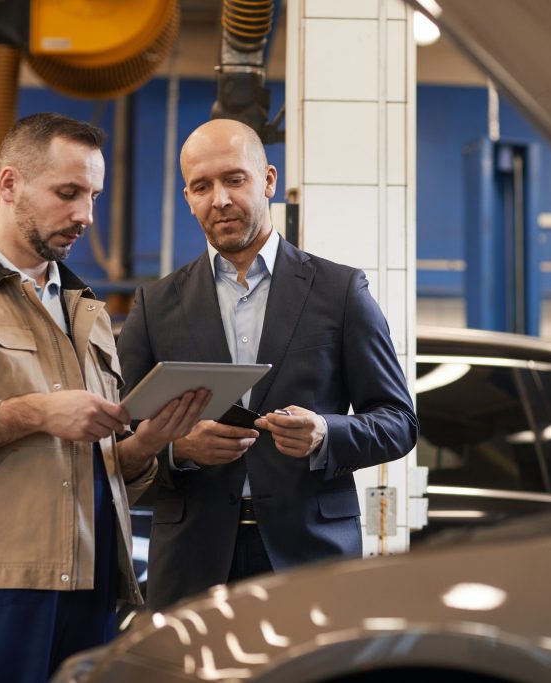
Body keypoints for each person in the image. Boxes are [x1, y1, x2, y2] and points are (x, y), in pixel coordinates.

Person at [0, 112, 209, 683]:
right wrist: (35, 412)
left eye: (94, 196)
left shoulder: (86, 309)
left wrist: (146, 444)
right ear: (10, 184)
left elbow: (98, 465)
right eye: (68, 192)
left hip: (90, 580)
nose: (85, 215)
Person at [117, 118, 418, 611]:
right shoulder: (155, 306)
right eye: (201, 186)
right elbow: (119, 434)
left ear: (269, 181)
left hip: (311, 555)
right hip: (192, 560)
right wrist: (177, 448)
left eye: (234, 179)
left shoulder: (339, 292)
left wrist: (325, 432)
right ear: (187, 198)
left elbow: (398, 422)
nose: (219, 199)